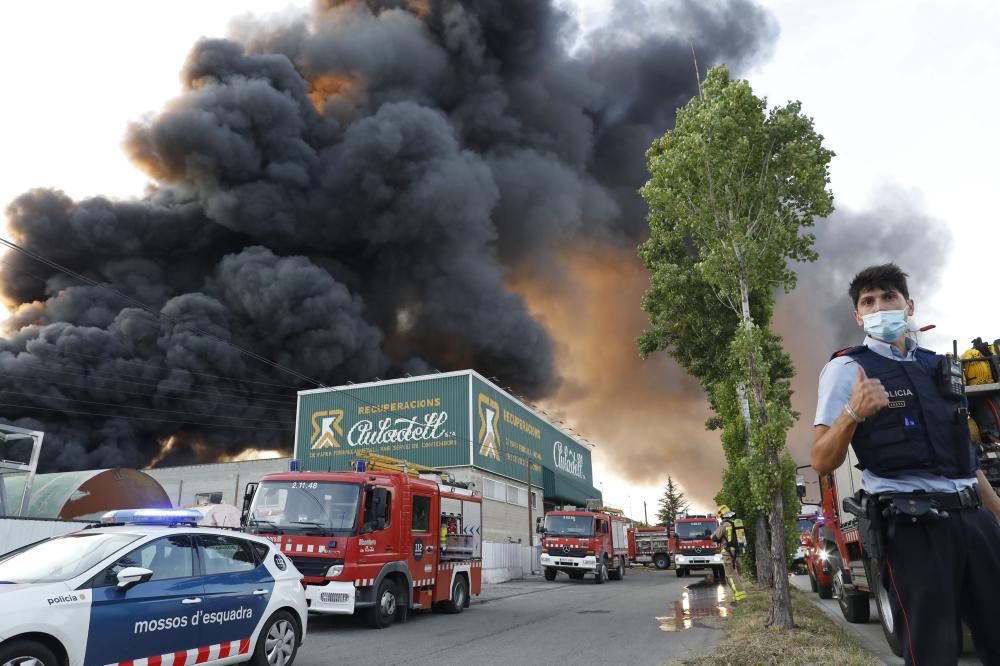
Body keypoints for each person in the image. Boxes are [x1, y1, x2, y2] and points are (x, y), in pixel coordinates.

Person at [811, 263, 1000, 665]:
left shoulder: (939, 368)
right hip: (916, 528)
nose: (880, 307)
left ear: (908, 305)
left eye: (888, 298)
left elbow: (964, 459)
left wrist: (997, 511)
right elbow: (821, 459)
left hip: (974, 520)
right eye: (868, 301)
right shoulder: (847, 370)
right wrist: (853, 414)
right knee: (934, 649)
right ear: (858, 316)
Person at [712, 505, 746, 602]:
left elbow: (715, 538)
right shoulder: (736, 523)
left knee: (731, 576)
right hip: (738, 553)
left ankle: (739, 598)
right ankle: (739, 596)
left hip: (728, 554)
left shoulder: (724, 525)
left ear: (722, 516)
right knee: (738, 575)